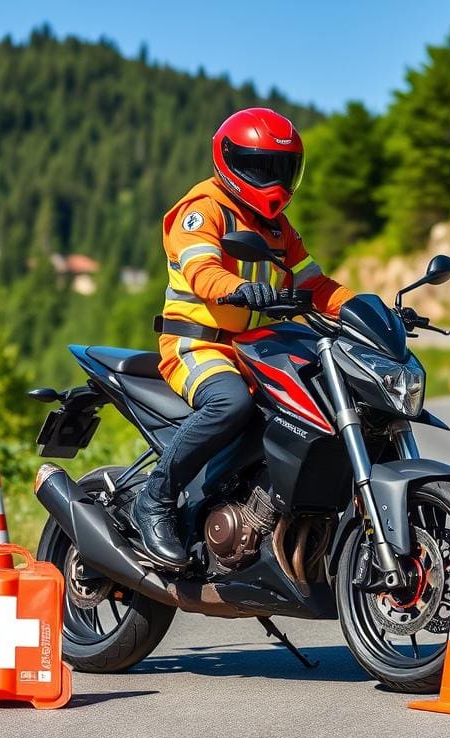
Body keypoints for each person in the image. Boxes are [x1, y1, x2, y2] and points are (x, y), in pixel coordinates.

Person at [132, 107, 355, 568]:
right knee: (229, 403)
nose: (272, 178)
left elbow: (315, 285)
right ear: (230, 161)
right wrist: (240, 290)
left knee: (309, 411)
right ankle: (154, 500)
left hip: (255, 349)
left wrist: (367, 309)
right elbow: (203, 271)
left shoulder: (276, 228)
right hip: (198, 344)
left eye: (281, 168)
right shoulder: (202, 209)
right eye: (260, 166)